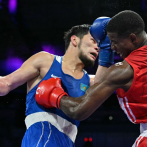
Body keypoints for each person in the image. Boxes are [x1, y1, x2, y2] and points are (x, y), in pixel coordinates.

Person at [39, 10, 147, 147]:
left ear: (132, 38)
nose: (112, 47)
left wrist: (54, 95)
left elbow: (78, 110)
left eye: (114, 42)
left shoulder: (125, 70)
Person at [0, 22, 114, 147]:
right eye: (93, 40)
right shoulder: (46, 61)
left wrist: (107, 50)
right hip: (40, 135)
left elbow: (103, 83)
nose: (97, 47)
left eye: (99, 44)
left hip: (68, 142)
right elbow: (6, 83)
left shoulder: (89, 81)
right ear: (74, 40)